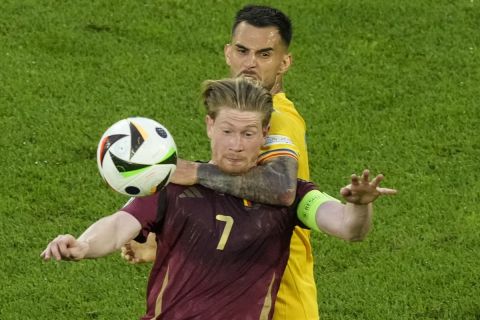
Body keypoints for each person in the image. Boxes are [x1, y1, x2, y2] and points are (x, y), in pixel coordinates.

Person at [41, 78, 396, 320]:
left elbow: (349, 229)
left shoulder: (294, 195)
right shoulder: (173, 186)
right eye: (227, 131)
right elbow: (119, 225)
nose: (237, 145)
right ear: (210, 126)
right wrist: (84, 245)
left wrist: (359, 206)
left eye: (248, 133)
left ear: (265, 134)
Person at [123, 5, 321, 319]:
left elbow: (281, 188)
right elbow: (237, 208)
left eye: (265, 54)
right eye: (243, 51)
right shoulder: (242, 113)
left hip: (280, 298)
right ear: (228, 52)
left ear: (285, 62)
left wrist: (198, 171)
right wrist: (164, 244)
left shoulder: (279, 119)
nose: (250, 64)